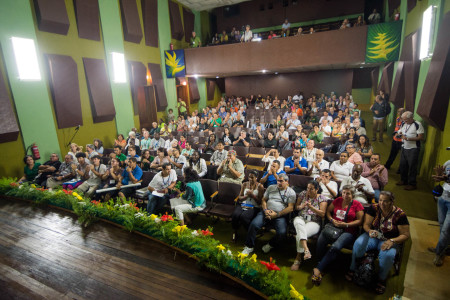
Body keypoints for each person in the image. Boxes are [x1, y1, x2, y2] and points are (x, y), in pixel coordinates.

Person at [347, 191, 410, 294]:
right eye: (380, 200)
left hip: (389, 239)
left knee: (388, 255)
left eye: (385, 201)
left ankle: (381, 279)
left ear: (391, 202)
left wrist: (392, 240)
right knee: (358, 244)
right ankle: (353, 268)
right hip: (373, 236)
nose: (381, 203)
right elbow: (366, 225)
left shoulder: (400, 214)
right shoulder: (374, 208)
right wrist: (369, 231)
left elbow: (405, 235)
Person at [312, 185, 364, 285]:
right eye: (344, 192)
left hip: (348, 231)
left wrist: (346, 224)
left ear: (352, 194)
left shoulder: (357, 204)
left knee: (335, 247)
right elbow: (328, 211)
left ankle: (318, 269)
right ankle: (321, 263)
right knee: (320, 241)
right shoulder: (338, 200)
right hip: (333, 227)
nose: (345, 195)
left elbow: (360, 221)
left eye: (348, 193)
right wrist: (332, 220)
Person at [242, 173, 296, 255]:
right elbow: (264, 200)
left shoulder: (291, 192)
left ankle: (270, 244)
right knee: (254, 225)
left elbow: (290, 208)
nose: (279, 183)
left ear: (287, 182)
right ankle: (249, 246)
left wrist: (277, 215)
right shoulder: (271, 188)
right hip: (266, 212)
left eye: (281, 181)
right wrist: (266, 210)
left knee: (282, 233)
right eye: (278, 181)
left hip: (279, 215)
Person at [291, 181, 328, 271]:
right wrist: (302, 206)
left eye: (311, 189)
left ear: (317, 189)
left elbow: (322, 214)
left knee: (301, 234)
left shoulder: (322, 198)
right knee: (298, 223)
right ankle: (306, 249)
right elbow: (297, 207)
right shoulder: (303, 194)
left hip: (314, 222)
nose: (308, 190)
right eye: (307, 188)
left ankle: (298, 258)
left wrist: (312, 208)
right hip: (301, 218)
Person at [232, 170, 264, 241]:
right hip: (243, 204)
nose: (250, 179)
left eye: (252, 177)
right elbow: (240, 197)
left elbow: (260, 202)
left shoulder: (260, 186)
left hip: (254, 207)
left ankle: (251, 232)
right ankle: (235, 231)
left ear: (256, 178)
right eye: (249, 177)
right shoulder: (244, 184)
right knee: (235, 215)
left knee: (244, 216)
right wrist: (246, 196)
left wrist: (253, 196)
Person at [396, 111, 424, 191]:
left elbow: (421, 137)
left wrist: (408, 138)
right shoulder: (404, 123)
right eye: (404, 120)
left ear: (411, 118)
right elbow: (400, 130)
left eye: (406, 120)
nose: (405, 121)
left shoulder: (417, 124)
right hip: (404, 147)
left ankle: (412, 183)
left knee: (412, 166)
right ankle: (403, 180)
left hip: (413, 148)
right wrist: (399, 133)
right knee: (403, 165)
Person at [429, 160, 450, 266]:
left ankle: (440, 253)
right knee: (442, 225)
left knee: (446, 229)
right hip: (443, 198)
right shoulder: (448, 163)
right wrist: (439, 176)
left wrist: (446, 178)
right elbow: (441, 178)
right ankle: (441, 247)